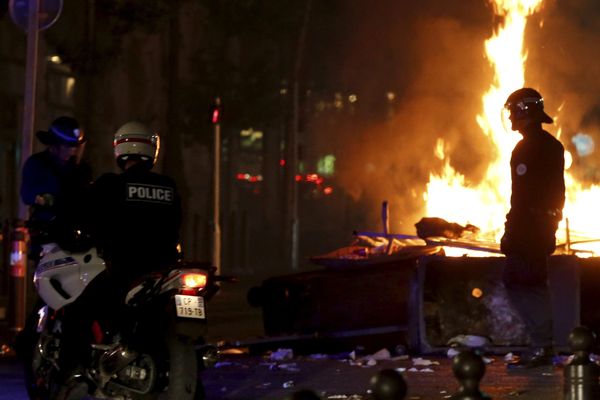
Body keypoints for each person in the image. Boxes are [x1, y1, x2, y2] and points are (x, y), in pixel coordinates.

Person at [55, 121, 182, 399]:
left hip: (126, 270)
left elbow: (82, 214)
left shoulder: (111, 185)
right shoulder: (168, 186)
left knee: (77, 313)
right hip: (164, 271)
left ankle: (72, 375)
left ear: (120, 150)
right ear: (152, 151)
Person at [500, 88, 565, 369]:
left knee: (520, 283)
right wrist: (551, 224)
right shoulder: (553, 145)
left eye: (514, 110)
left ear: (524, 112)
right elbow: (558, 192)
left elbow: (522, 196)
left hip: (527, 229)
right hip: (544, 226)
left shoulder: (526, 148)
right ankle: (543, 345)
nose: (512, 116)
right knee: (535, 284)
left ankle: (540, 345)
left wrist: (511, 231)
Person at [20, 116, 92, 262]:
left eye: (76, 147)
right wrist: (45, 199)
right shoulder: (37, 164)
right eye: (68, 146)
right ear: (54, 146)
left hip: (79, 241)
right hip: (47, 239)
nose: (73, 151)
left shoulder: (82, 170)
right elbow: (27, 194)